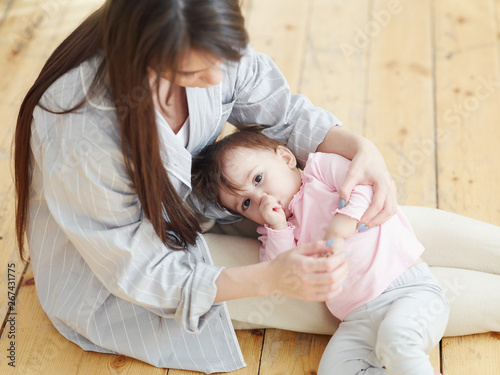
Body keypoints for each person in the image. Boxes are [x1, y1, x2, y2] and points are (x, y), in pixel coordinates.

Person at [13, 0, 404, 372]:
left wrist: (361, 149)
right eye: (193, 73)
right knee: (370, 297)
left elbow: (282, 115)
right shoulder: (84, 136)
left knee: (383, 234)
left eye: (221, 58)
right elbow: (140, 271)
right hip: (125, 274)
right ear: (145, 57)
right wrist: (270, 278)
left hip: (203, 208)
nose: (216, 79)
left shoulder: (200, 26)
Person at [191, 128, 449, 375]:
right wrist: (279, 226)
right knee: (336, 370)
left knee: (397, 339)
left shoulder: (320, 171)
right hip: (356, 318)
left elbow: (365, 188)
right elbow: (282, 270)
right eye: (246, 203)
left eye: (258, 179)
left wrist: (339, 229)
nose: (261, 198)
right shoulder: (274, 233)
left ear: (285, 157)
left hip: (407, 290)